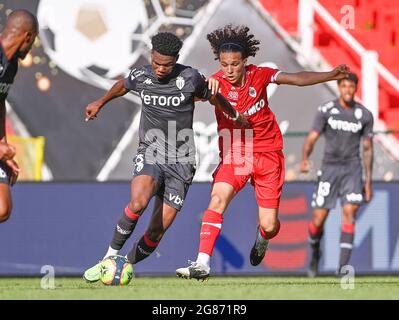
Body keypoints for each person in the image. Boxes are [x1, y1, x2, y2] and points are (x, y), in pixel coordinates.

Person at [176, 24, 351, 280]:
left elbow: (296, 79)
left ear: (245, 61)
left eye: (235, 64)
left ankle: (263, 237)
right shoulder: (215, 84)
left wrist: (330, 75)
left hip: (269, 153)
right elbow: (185, 96)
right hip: (238, 152)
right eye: (225, 65)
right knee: (217, 200)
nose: (230, 70)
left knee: (270, 226)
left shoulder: (260, 75)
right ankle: (202, 263)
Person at [83, 32, 247, 282]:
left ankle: (122, 265)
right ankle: (108, 257)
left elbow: (213, 95)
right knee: (138, 203)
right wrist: (101, 101)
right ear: (151, 56)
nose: (160, 69)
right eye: (156, 62)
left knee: (156, 231)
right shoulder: (141, 75)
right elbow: (122, 85)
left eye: (166, 65)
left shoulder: (190, 78)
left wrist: (234, 116)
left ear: (176, 60)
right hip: (151, 150)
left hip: (182, 159)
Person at [299, 72, 373, 277]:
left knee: (350, 213)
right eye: (344, 86)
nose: (348, 90)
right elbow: (312, 138)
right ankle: (314, 253)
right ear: (339, 88)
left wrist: (368, 182)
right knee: (318, 218)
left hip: (352, 169)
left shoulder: (364, 115)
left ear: (355, 89)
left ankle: (342, 268)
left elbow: (367, 149)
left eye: (351, 87)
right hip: (329, 169)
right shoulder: (326, 110)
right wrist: (305, 157)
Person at [0, 9, 38, 223]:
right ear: (28, 37)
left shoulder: (11, 64)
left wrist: (3, 146)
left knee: (2, 207)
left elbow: (0, 102)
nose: (31, 47)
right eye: (33, 42)